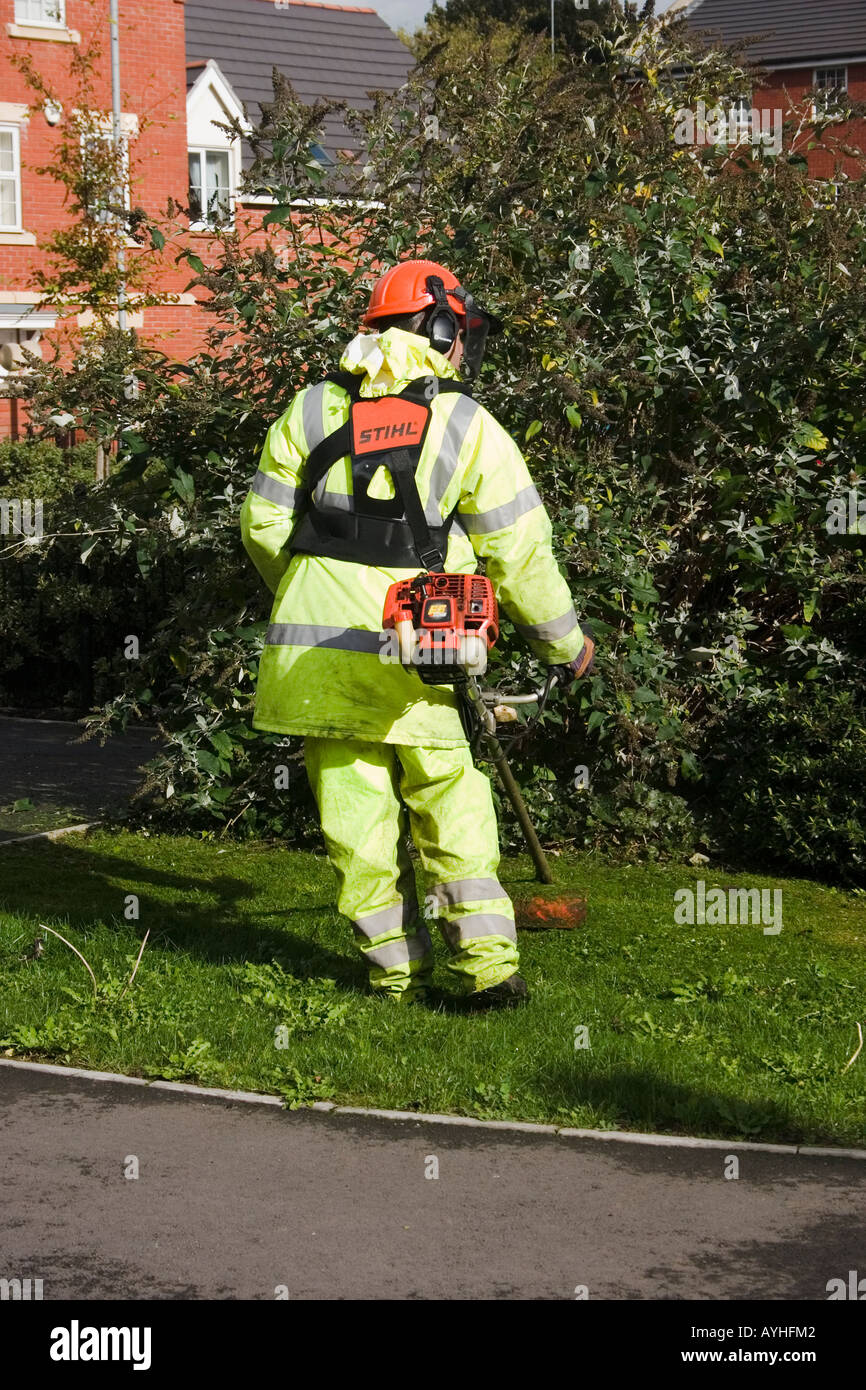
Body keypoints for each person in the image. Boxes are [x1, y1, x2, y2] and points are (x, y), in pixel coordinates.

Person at [240, 259, 594, 1010]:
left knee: (357, 823)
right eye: (459, 334)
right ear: (439, 330)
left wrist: (313, 589)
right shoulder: (466, 423)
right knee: (449, 802)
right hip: (420, 647)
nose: (463, 349)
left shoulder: (309, 410)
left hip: (315, 659)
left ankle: (393, 975)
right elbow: (519, 550)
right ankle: (486, 975)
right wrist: (566, 644)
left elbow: (263, 526)